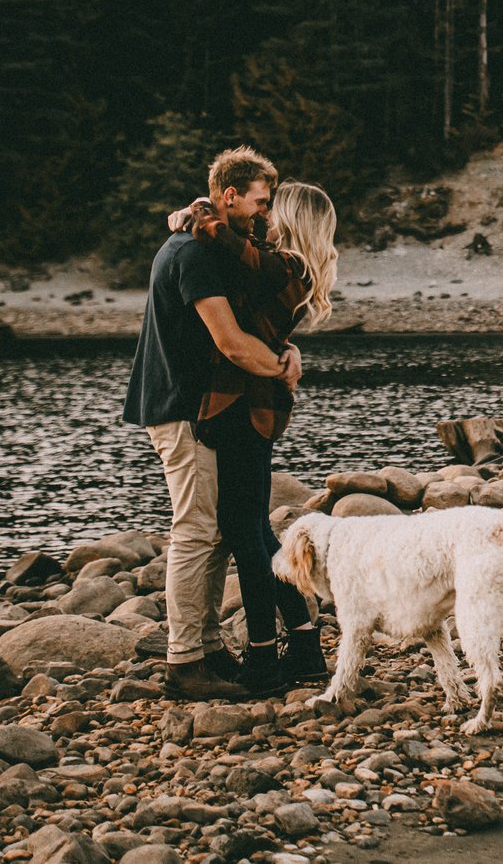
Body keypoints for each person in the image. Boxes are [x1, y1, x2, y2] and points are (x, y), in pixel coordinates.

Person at [122, 145, 300, 700]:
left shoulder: (206, 244)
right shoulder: (191, 256)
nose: (265, 214)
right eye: (259, 201)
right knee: (195, 530)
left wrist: (285, 349)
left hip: (196, 409)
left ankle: (209, 648)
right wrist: (282, 371)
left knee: (217, 529)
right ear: (230, 196)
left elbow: (252, 311)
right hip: (179, 408)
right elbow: (228, 339)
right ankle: (183, 663)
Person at [175, 180, 337, 694]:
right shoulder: (286, 262)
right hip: (255, 408)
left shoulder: (284, 265)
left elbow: (233, 246)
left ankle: (264, 660)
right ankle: (306, 645)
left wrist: (198, 216)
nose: (264, 215)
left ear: (291, 217)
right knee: (257, 533)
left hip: (248, 409)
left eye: (272, 207)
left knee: (245, 536)